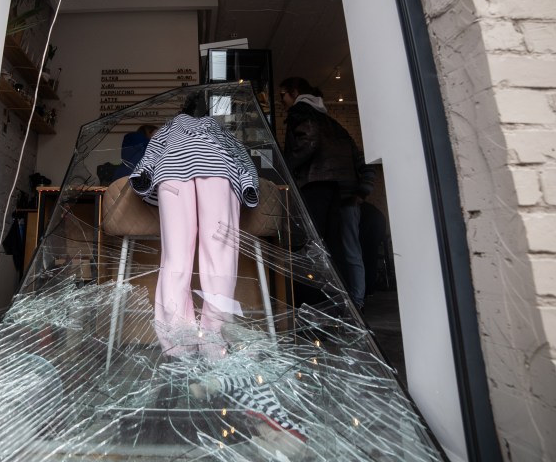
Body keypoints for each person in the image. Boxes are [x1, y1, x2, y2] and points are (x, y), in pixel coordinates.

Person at [129, 93, 259, 357]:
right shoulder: (219, 129)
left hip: (173, 173)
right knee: (219, 258)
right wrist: (248, 185)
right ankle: (214, 344)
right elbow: (241, 157)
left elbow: (152, 151)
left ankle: (178, 346)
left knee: (176, 260)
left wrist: (143, 175)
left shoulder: (170, 126)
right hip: (218, 173)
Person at [280, 77, 374, 310]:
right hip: (344, 192)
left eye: (283, 94)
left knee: (313, 246)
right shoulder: (331, 122)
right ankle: (352, 303)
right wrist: (361, 191)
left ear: (294, 92)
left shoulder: (300, 112)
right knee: (343, 249)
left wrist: (286, 167)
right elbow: (356, 156)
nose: (282, 100)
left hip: (317, 187)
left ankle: (320, 304)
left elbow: (307, 140)